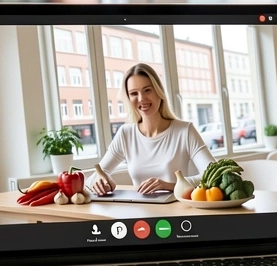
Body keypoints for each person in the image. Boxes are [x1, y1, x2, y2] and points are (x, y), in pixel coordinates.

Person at [87, 63, 215, 196]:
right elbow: (93, 178)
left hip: (176, 211)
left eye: (147, 90)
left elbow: (215, 175)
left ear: (159, 91)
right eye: (134, 93)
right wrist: (100, 181)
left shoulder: (184, 131)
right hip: (140, 212)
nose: (141, 99)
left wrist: (170, 185)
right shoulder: (126, 134)